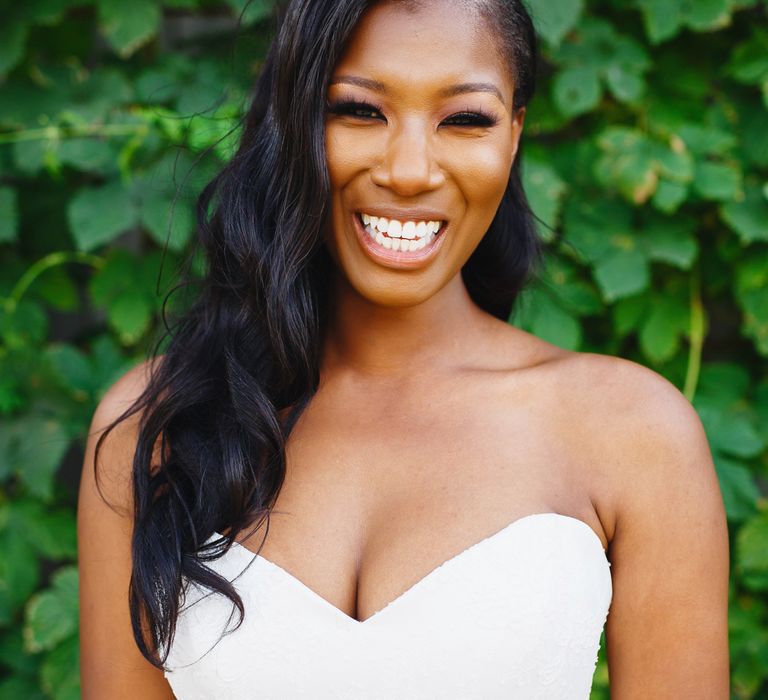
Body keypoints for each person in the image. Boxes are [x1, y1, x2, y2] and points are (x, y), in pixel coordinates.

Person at [77, 0, 730, 698]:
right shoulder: (155, 426)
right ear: (289, 122)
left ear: (513, 136)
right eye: (359, 110)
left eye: (465, 119)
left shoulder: (633, 432)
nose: (411, 170)